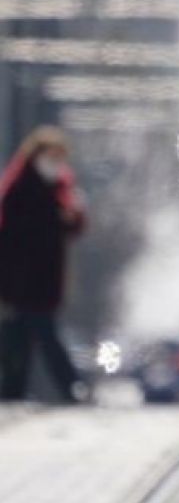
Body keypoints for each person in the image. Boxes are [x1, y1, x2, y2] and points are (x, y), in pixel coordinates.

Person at [0, 126, 87, 403]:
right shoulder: (19, 187)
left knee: (21, 339)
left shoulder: (60, 190)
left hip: (46, 279)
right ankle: (71, 387)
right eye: (51, 157)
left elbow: (72, 230)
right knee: (43, 335)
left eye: (59, 158)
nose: (55, 164)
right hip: (20, 278)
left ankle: (12, 392)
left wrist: (75, 214)